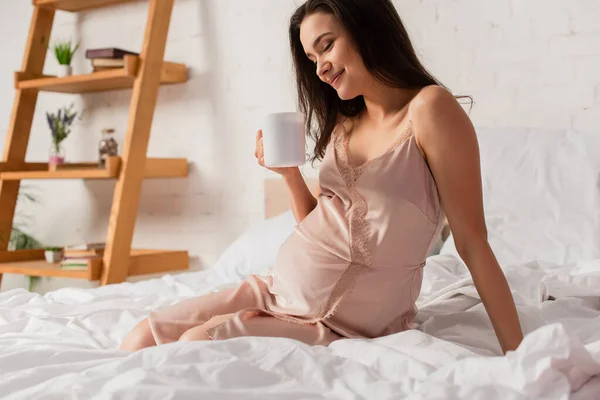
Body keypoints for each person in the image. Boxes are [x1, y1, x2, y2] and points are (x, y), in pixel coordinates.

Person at [120, 0, 524, 354]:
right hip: (277, 290)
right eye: (312, 58)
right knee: (139, 338)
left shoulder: (430, 109)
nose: (320, 67)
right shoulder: (345, 127)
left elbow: (472, 242)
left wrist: (518, 352)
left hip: (339, 322)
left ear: (367, 29)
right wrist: (289, 176)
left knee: (195, 344)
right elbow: (320, 221)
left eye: (326, 45)